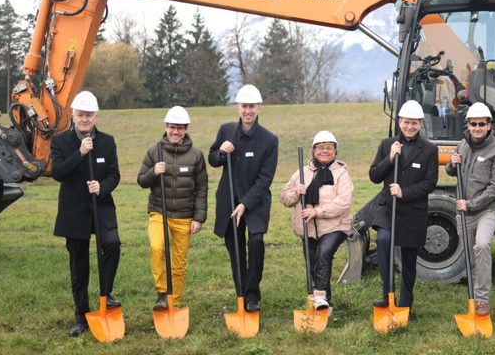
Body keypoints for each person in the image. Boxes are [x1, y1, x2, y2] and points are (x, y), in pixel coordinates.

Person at [50, 91, 121, 337]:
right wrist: (79, 153)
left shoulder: (108, 141)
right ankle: (81, 316)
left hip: (101, 208)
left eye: (89, 114)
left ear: (95, 116)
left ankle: (107, 293)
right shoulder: (60, 142)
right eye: (80, 114)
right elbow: (57, 172)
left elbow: (114, 175)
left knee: (112, 245)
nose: (84, 119)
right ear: (73, 115)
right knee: (79, 266)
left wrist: (102, 188)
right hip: (74, 211)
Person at [208, 84, 278, 313]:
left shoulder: (269, 140)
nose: (248, 110)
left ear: (258, 108)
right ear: (238, 108)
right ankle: (241, 293)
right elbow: (212, 159)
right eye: (244, 106)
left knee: (256, 242)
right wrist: (221, 153)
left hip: (255, 201)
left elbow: (265, 178)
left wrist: (245, 204)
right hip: (228, 199)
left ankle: (252, 294)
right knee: (235, 248)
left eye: (252, 106)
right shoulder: (225, 131)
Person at [370, 100, 438, 320]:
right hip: (388, 208)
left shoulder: (429, 150)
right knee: (383, 240)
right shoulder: (386, 144)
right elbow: (374, 176)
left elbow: (430, 183)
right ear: (400, 122)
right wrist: (389, 158)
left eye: (414, 123)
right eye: (406, 122)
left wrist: (404, 192)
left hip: (413, 210)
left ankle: (406, 304)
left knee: (409, 259)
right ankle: (387, 294)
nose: (410, 126)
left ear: (420, 124)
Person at [137, 106, 207, 310]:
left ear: (185, 129)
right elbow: (141, 181)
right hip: (159, 211)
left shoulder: (196, 155)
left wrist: (198, 218)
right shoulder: (154, 151)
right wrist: (153, 172)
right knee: (157, 247)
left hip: (185, 216)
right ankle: (161, 293)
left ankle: (173, 303)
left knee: (178, 263)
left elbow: (202, 186)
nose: (175, 132)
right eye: (171, 127)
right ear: (166, 128)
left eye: (179, 128)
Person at [279, 130, 353, 310]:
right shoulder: (301, 173)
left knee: (324, 253)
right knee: (314, 263)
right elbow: (284, 198)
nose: (325, 151)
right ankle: (326, 303)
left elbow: (344, 202)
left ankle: (319, 295)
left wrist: (317, 212)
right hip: (307, 228)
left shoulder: (341, 173)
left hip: (336, 226)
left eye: (329, 148)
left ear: (335, 151)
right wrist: (297, 191)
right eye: (320, 148)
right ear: (313, 151)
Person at [445, 102, 495, 316]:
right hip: (464, 212)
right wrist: (452, 164)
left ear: (489, 125)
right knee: (470, 257)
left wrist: (470, 204)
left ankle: (482, 300)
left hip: (485, 211)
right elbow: (451, 171)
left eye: (482, 123)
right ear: (468, 125)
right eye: (473, 124)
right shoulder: (462, 145)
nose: (477, 127)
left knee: (481, 246)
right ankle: (473, 298)